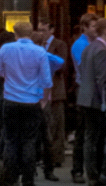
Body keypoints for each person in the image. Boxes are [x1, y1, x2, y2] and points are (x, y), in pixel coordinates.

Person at [0, 21, 52, 186]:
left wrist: (9, 76)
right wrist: (44, 100)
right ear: (31, 33)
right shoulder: (40, 51)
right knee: (29, 141)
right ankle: (28, 179)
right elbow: (47, 81)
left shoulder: (6, 49)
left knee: (11, 140)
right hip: (31, 100)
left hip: (11, 99)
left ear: (15, 33)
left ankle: (10, 178)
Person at [77, 18, 106, 186]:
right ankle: (94, 173)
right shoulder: (101, 50)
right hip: (96, 100)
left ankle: (92, 172)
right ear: (105, 31)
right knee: (95, 138)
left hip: (86, 97)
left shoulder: (88, 48)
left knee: (91, 137)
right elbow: (102, 79)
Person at [71, 13, 99, 184]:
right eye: (94, 26)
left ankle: (93, 168)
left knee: (93, 131)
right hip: (84, 88)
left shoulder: (94, 43)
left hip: (93, 89)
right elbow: (85, 68)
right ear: (85, 27)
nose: (96, 30)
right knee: (82, 130)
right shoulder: (80, 45)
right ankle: (77, 169)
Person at [38, 17, 69, 169]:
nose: (41, 34)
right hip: (41, 92)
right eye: (39, 30)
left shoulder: (59, 45)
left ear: (51, 30)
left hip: (55, 90)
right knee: (45, 126)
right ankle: (44, 157)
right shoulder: (38, 45)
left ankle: (56, 157)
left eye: (44, 30)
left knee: (57, 125)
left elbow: (62, 66)